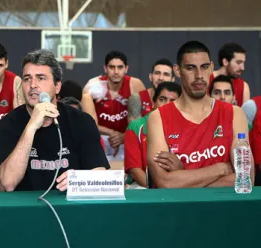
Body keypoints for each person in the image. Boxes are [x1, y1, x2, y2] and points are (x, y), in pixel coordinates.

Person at [0, 49, 109, 192]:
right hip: (25, 209)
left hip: (69, 206)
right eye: (27, 78)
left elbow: (100, 173)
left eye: (41, 78)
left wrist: (80, 179)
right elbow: (8, 183)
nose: (33, 85)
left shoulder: (81, 121)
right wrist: (31, 127)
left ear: (57, 86)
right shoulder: (8, 124)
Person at [147, 41, 253, 188]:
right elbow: (165, 182)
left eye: (204, 67)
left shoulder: (234, 114)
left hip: (225, 208)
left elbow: (245, 178)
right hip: (178, 210)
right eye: (190, 68)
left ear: (211, 68)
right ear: (177, 71)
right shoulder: (158, 117)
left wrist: (183, 175)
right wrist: (221, 168)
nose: (199, 75)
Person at [81, 50, 146, 158]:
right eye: (112, 67)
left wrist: (124, 136)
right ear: (105, 68)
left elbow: (145, 120)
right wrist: (112, 133)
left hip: (127, 136)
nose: (116, 72)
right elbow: (89, 124)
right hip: (101, 137)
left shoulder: (135, 85)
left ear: (126, 68)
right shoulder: (92, 87)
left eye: (120, 67)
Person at [124, 82, 181, 188]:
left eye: (173, 101)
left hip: (177, 185)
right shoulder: (136, 127)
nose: (167, 104)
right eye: (162, 99)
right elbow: (135, 171)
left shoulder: (185, 127)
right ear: (154, 103)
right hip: (144, 186)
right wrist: (158, 192)